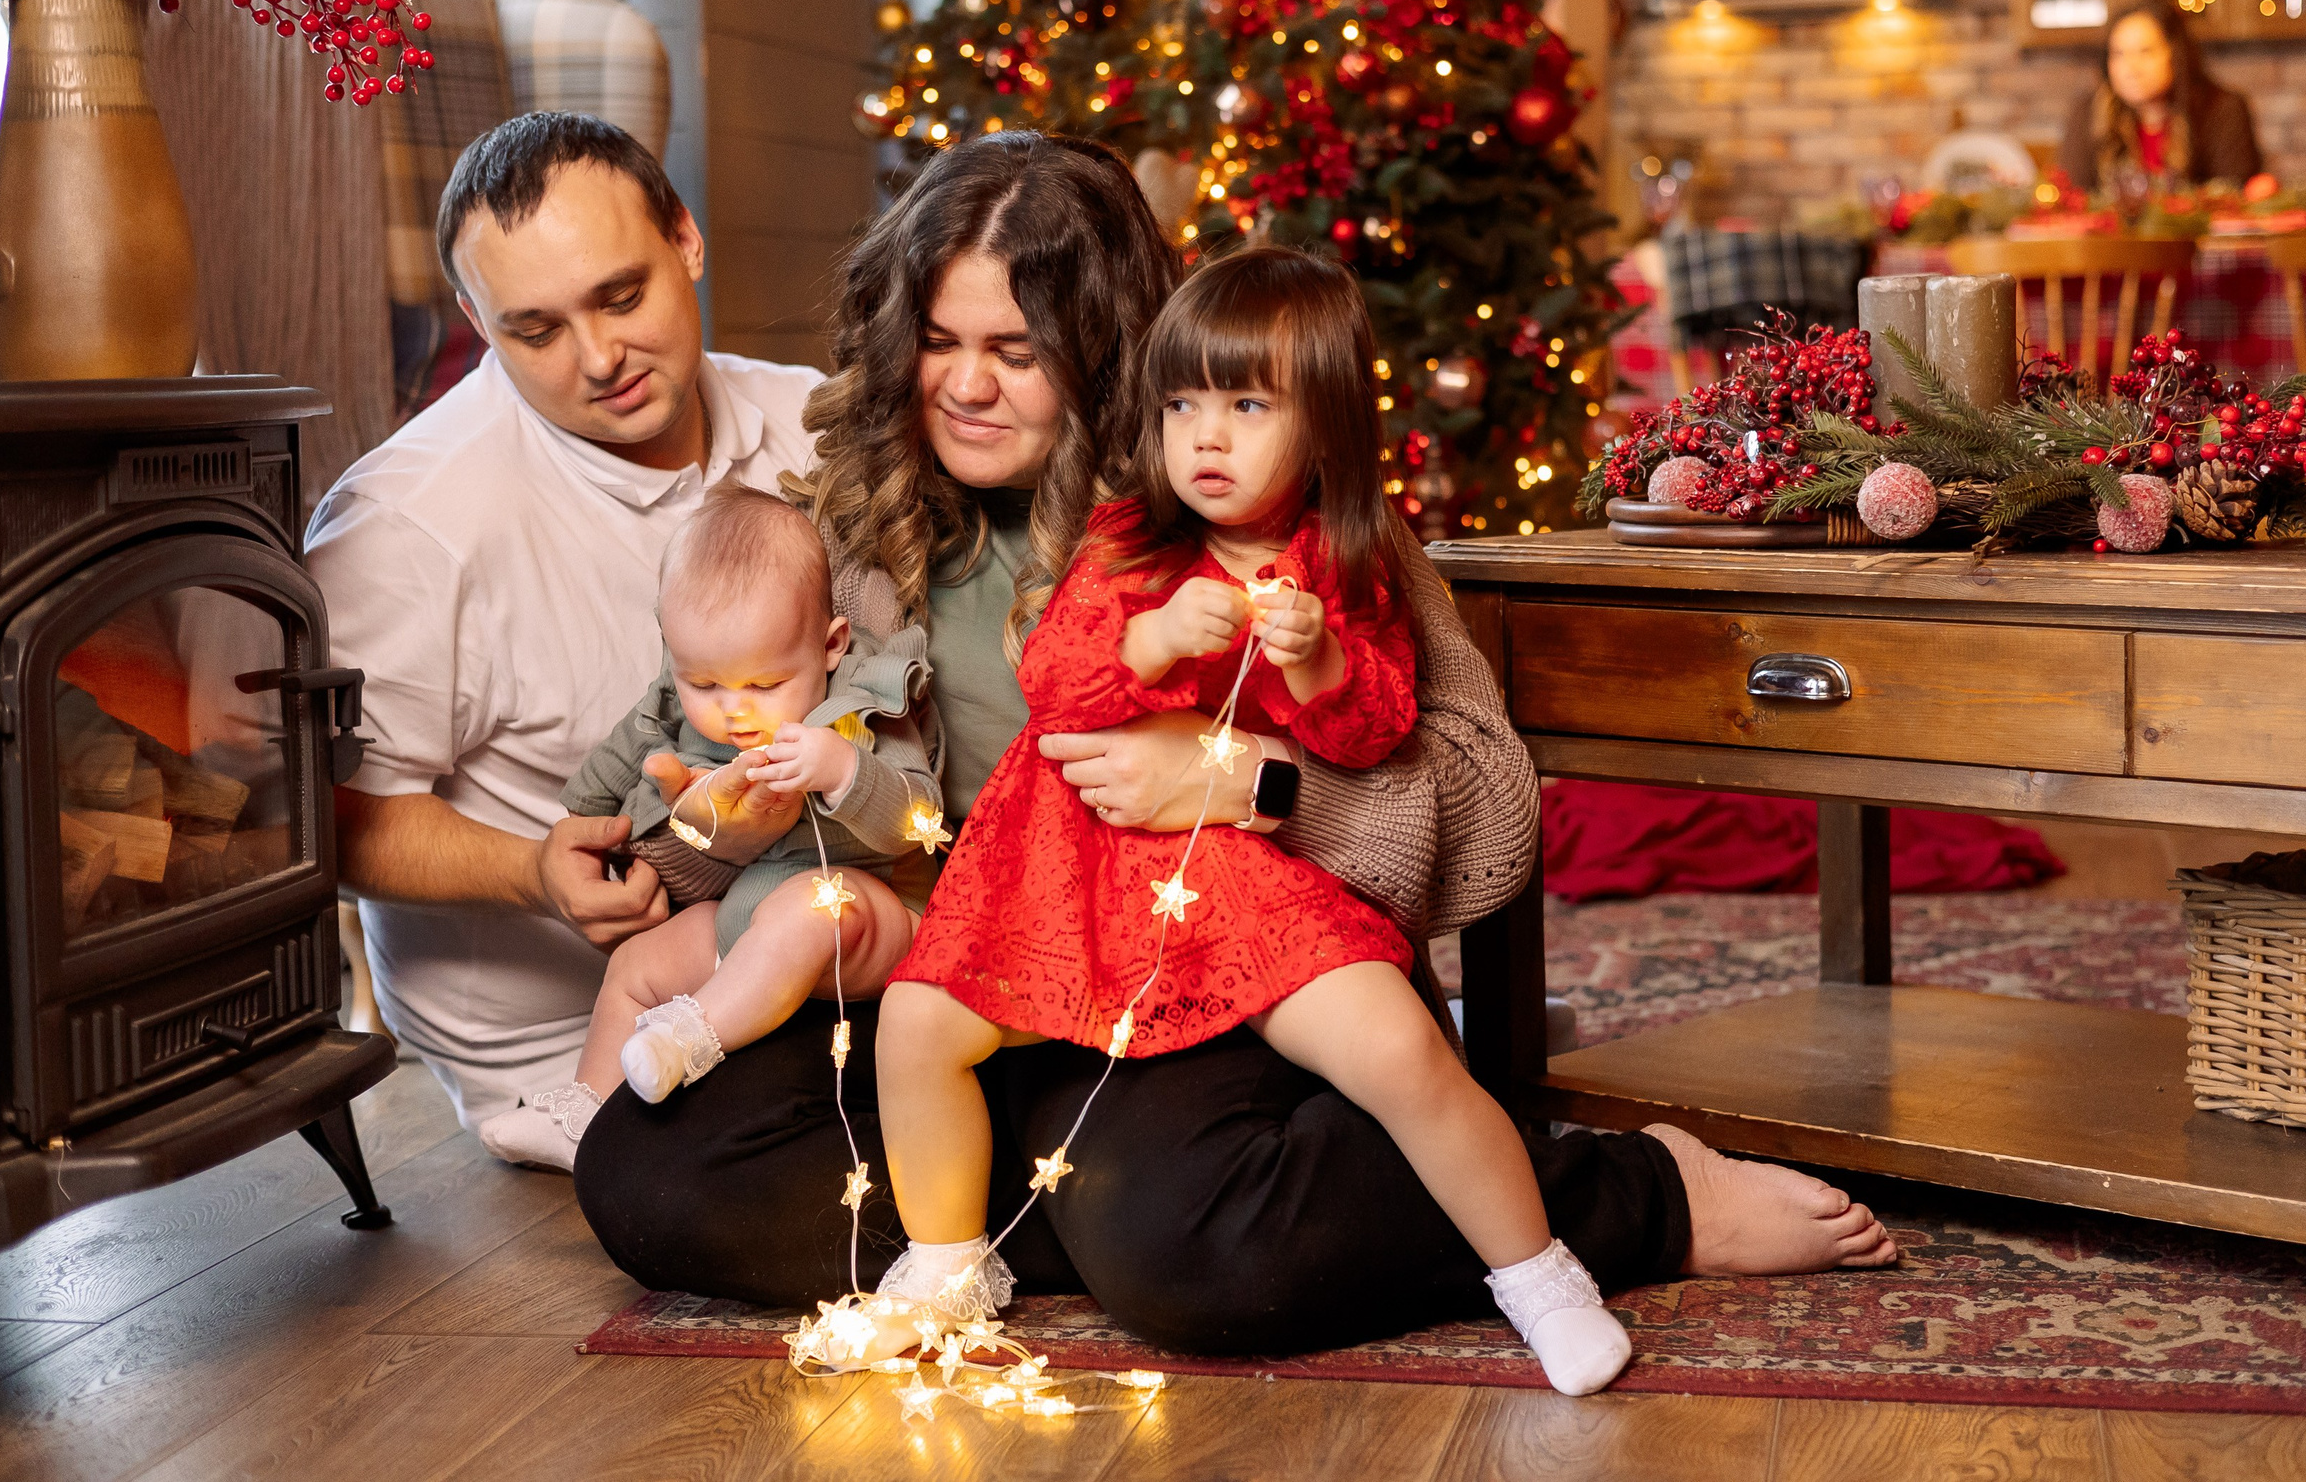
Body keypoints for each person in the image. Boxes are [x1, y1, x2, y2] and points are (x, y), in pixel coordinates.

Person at [572, 131, 1896, 1358]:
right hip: (960, 986)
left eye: (1018, 351)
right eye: (937, 339)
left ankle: (1626, 1197)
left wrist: (1248, 781)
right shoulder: (846, 529)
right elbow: (708, 778)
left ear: (1106, 356)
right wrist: (670, 846)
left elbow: (1491, 809)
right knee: (652, 1168)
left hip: (1187, 964)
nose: (966, 383)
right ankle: (1069, 1216)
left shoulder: (1260, 511)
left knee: (1201, 1252)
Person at [869, 246, 1633, 1395]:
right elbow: (1059, 682)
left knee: (1402, 1053)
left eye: (1245, 406)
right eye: (1181, 405)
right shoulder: (1129, 540)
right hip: (1075, 880)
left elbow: (1377, 734)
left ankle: (1538, 1272)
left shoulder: (1349, 565)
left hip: (1241, 884)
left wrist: (1319, 662)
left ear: (1324, 430)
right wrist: (1153, 641)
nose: (1205, 439)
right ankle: (942, 1263)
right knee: (918, 1027)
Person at [306, 113, 825, 1132]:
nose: (597, 358)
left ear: (685, 238)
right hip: (563, 1047)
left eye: (621, 296)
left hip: (803, 951)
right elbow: (333, 820)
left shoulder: (816, 423)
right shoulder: (405, 526)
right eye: (534, 330)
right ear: (475, 315)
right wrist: (533, 874)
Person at [476, 486, 935, 1170]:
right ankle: (587, 1115)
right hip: (742, 913)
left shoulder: (862, 701)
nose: (734, 712)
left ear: (831, 644)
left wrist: (842, 770)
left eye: (764, 684)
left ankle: (688, 1037)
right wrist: (586, 817)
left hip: (868, 915)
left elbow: (918, 818)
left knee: (807, 908)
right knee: (639, 962)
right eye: (706, 685)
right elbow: (623, 752)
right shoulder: (684, 694)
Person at [2059, 0, 2263, 194]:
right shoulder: (2090, 113)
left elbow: (2232, 199)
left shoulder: (2222, 109)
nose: (2131, 68)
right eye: (2119, 54)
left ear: (2176, 54)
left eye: (2145, 52)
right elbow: (2073, 199)